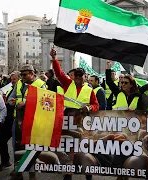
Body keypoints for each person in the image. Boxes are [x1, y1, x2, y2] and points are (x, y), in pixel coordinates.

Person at [51, 48, 99, 180]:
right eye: (76, 75)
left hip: (82, 120)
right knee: (68, 147)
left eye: (80, 75)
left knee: (84, 147)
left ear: (85, 77)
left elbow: (96, 106)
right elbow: (59, 73)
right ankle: (68, 174)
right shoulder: (68, 83)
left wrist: (89, 108)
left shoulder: (90, 90)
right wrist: (54, 59)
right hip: (67, 118)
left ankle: (88, 173)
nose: (78, 77)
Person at [8, 65, 46, 180]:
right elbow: (11, 97)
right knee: (18, 147)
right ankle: (18, 172)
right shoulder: (19, 83)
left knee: (31, 149)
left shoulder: (40, 84)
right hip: (18, 120)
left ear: (32, 73)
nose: (22, 77)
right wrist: (11, 101)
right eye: (21, 75)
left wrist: (26, 103)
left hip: (33, 121)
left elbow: (44, 102)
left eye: (24, 75)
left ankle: (31, 175)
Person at [0, 72, 20, 172]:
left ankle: (18, 168)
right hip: (8, 119)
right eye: (11, 79)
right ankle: (5, 161)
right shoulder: (11, 88)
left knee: (17, 145)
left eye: (14, 79)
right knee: (1, 140)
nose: (12, 81)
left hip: (16, 119)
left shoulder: (22, 89)